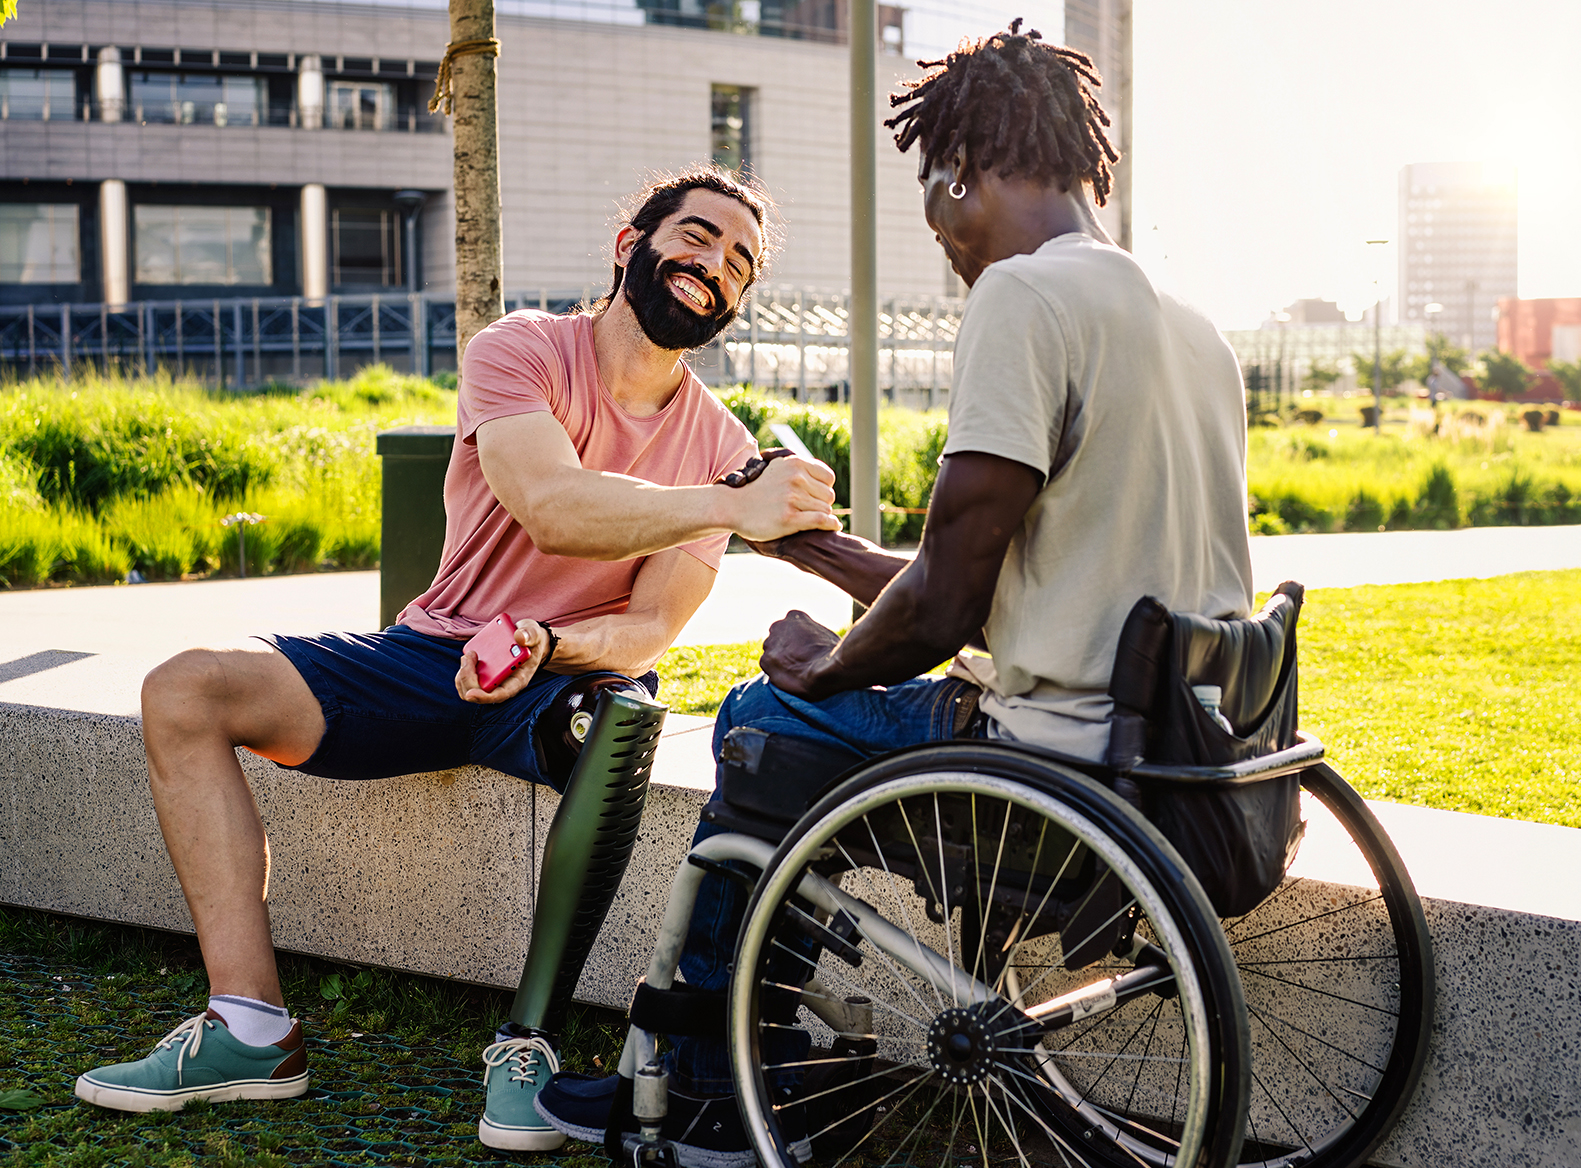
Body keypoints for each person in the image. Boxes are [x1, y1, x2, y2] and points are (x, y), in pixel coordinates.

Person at [535, 21, 1254, 1166]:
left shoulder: (1024, 298)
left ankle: (716, 1090)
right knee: (811, 714)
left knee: (763, 721)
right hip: (1174, 752)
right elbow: (1011, 577)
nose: (949, 249)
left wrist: (822, 664)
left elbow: (947, 608)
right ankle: (771, 1037)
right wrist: (807, 545)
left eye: (937, 213)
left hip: (1051, 765)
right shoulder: (1190, 326)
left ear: (960, 174)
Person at [72, 165, 840, 1153]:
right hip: (431, 656)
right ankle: (251, 1029)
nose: (714, 265)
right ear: (628, 244)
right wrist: (731, 502)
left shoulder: (719, 440)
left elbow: (650, 628)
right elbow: (548, 500)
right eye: (695, 236)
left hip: (564, 681)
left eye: (740, 261)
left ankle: (526, 1044)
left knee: (628, 712)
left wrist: (551, 641)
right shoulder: (519, 348)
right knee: (184, 689)